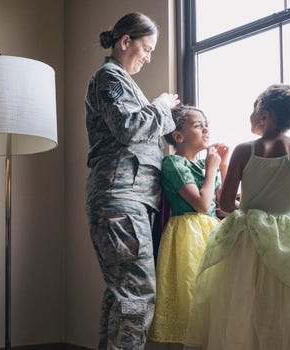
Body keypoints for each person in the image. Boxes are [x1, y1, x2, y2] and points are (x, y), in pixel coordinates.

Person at [183, 83, 290, 350]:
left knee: (242, 308)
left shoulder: (245, 149)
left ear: (264, 115)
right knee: (285, 307)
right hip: (289, 240)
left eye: (253, 108)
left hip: (248, 242)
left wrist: (246, 207)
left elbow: (225, 202)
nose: (251, 114)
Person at [84, 12, 180, 350]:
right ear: (126, 42)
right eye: (147, 48)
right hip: (119, 197)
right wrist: (161, 105)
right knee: (137, 295)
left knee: (122, 294)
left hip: (127, 199)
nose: (149, 57)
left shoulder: (123, 82)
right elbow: (130, 129)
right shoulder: (109, 78)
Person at [149, 106, 229, 347]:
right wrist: (212, 168)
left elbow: (223, 206)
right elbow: (202, 204)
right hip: (187, 235)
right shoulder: (174, 163)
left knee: (213, 295)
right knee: (190, 293)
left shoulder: (206, 167)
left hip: (211, 232)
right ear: (179, 136)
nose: (206, 129)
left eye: (206, 124)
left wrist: (223, 165)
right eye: (197, 125)